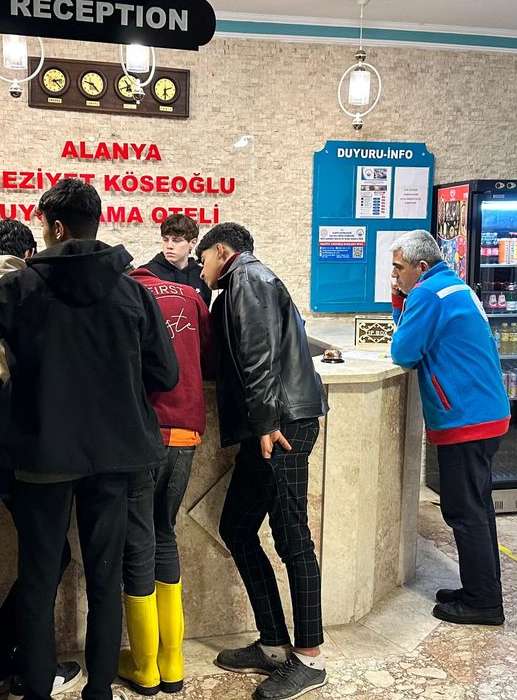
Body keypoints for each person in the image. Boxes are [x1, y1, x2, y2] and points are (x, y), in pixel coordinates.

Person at [0, 178, 178, 700]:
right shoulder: (133, 291)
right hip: (116, 454)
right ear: (96, 223)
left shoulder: (21, 287)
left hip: (41, 452)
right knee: (105, 579)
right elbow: (165, 374)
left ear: (55, 227)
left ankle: (37, 692)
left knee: (39, 578)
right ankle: (99, 693)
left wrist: (0, 400)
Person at [195, 223, 329, 700]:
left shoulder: (247, 278)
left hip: (281, 428)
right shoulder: (243, 282)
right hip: (269, 427)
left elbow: (259, 354)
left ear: (221, 251)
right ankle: (273, 643)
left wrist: (267, 421)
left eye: (203, 259)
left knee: (293, 540)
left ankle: (309, 659)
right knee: (236, 528)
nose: (202, 269)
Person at [0, 219, 83, 700]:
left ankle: (0, 666)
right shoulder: (32, 287)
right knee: (51, 556)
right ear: (28, 252)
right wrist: (2, 402)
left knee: (44, 554)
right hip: (33, 442)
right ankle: (3, 668)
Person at [388, 229, 509, 626]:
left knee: (464, 511)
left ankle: (483, 603)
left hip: (465, 418)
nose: (395, 275)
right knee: (478, 508)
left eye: (399, 268)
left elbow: (404, 351)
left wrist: (401, 300)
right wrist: (402, 299)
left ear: (421, 266)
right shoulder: (453, 286)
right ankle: (480, 589)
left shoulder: (426, 293)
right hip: (484, 412)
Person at [116, 263, 214, 696]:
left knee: (137, 541)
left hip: (142, 436)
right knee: (164, 533)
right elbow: (208, 358)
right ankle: (172, 663)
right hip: (186, 432)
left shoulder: (122, 297)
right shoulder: (190, 295)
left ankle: (145, 667)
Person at [142, 213, 211, 306]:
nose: (169, 246)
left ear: (192, 243)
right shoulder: (146, 273)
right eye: (165, 240)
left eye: (176, 240)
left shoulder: (202, 276)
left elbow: (204, 312)